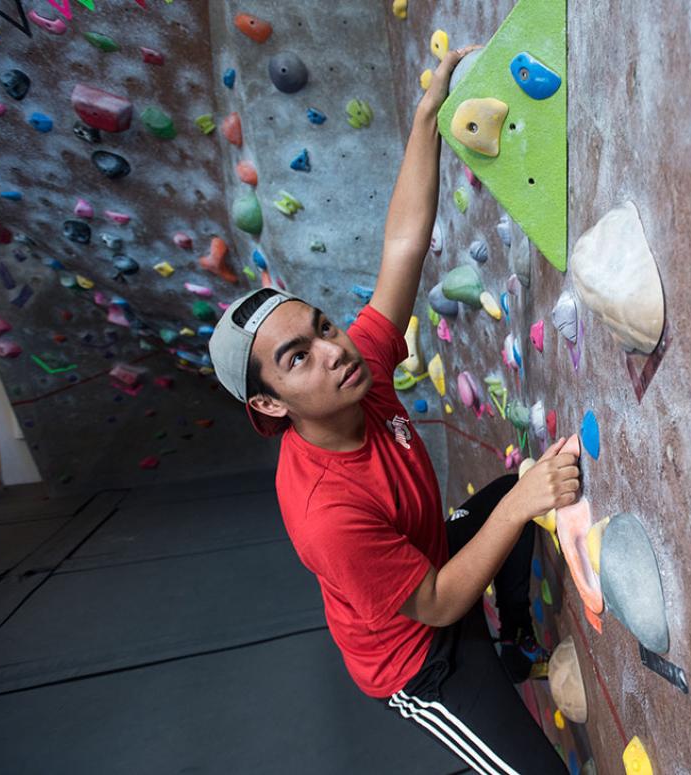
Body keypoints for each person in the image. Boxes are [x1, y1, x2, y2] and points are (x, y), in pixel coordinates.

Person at [206, 46, 575, 775]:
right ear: (268, 404)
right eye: (295, 359)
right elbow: (435, 604)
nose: (330, 349)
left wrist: (426, 118)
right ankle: (491, 667)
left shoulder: (357, 369)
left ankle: (518, 641)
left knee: (517, 495)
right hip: (420, 656)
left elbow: (403, 245)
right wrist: (521, 504)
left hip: (431, 557)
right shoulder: (326, 512)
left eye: (318, 326)